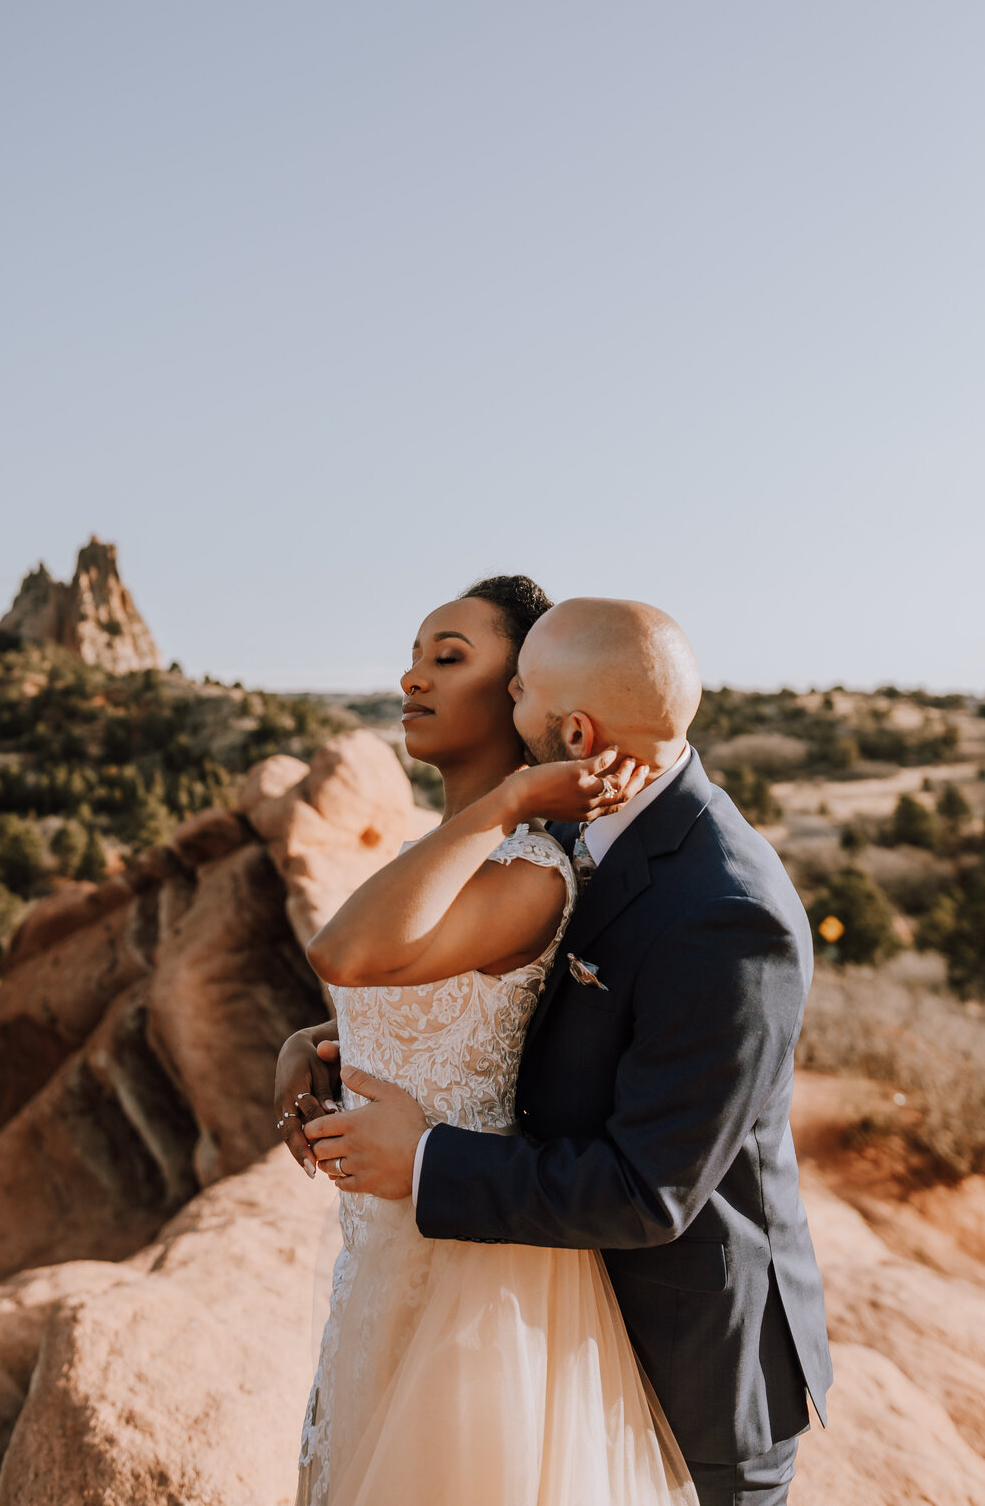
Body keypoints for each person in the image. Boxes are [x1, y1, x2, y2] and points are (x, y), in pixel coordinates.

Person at [284, 595, 833, 1506]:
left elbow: (647, 1190)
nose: (505, 704)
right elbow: (521, 1013)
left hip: (687, 1367)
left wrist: (420, 1159)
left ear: (573, 730)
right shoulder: (583, 813)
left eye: (520, 689)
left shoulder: (728, 912)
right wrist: (339, 1041)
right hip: (538, 1310)